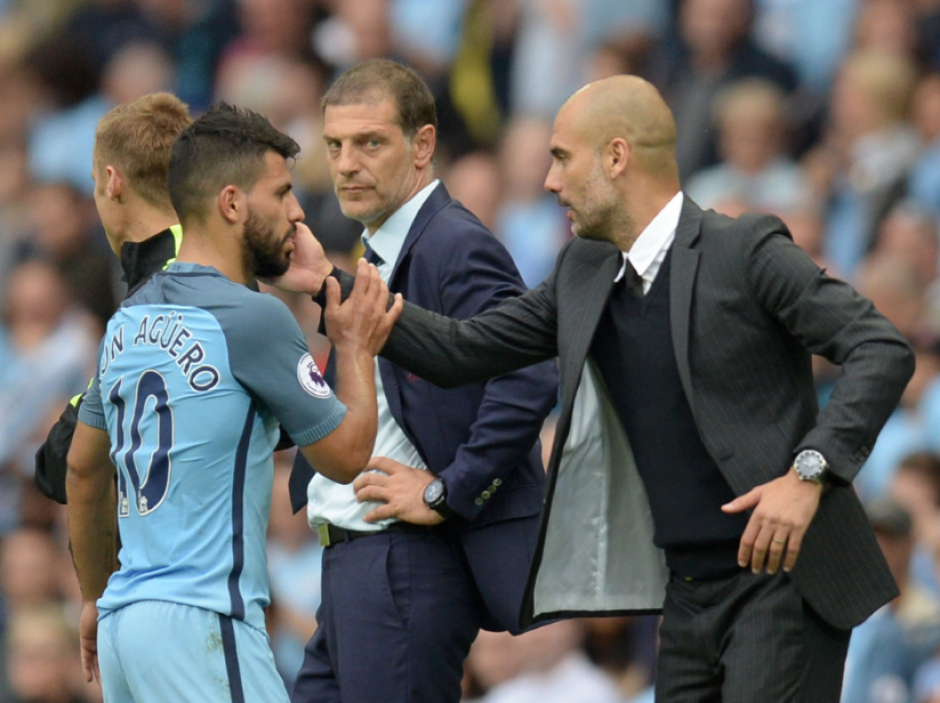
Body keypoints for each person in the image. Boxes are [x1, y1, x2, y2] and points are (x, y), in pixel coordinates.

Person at [294, 74, 916, 702]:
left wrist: (809, 473)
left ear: (616, 157)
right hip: (688, 592)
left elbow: (880, 348)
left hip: (782, 577)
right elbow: (462, 351)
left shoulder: (744, 249)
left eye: (562, 158)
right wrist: (325, 279)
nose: (548, 181)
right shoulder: (585, 269)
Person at [65, 102, 401, 703]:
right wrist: (354, 346)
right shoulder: (252, 320)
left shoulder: (127, 317)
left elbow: (84, 469)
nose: (298, 211)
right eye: (283, 192)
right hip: (202, 622)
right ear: (232, 204)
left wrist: (94, 596)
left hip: (123, 630)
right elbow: (348, 457)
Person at [284, 59, 558, 703]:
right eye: (335, 146)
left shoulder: (453, 243)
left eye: (370, 142)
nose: (347, 163)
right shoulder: (382, 246)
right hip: (360, 563)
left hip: (400, 564)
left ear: (423, 145)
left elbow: (531, 370)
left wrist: (448, 491)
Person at [35, 91, 193, 505]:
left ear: (112, 181)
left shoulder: (167, 285)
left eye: (92, 182)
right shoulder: (197, 263)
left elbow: (58, 463)